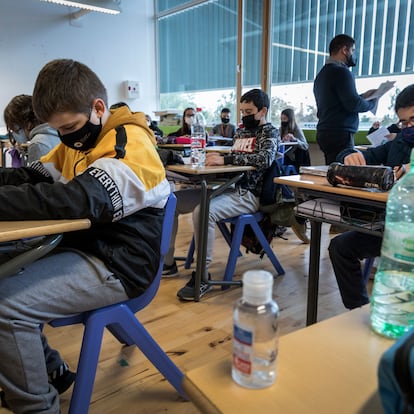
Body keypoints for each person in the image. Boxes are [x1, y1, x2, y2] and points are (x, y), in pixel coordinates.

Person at [0, 58, 170, 413]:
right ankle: (52, 371)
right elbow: (35, 177)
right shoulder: (77, 139)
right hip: (89, 248)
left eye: (69, 128)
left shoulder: (131, 143)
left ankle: (37, 407)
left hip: (122, 262)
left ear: (97, 108)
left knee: (5, 305)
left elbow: (78, 199)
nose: (64, 138)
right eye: (57, 130)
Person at [163, 89, 279, 300]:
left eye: (249, 111)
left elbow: (265, 159)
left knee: (203, 211)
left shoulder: (270, 132)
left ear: (263, 111)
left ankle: (202, 276)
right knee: (172, 201)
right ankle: (167, 262)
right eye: (242, 111)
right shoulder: (241, 132)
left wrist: (225, 161)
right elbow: (234, 162)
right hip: (227, 188)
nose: (244, 116)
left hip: (248, 194)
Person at [328, 84, 414, 310]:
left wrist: (409, 169)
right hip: (392, 226)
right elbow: (366, 153)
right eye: (404, 123)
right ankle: (358, 310)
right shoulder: (400, 142)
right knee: (340, 248)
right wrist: (351, 154)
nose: (408, 127)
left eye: (413, 120)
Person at [313, 34, 377, 164]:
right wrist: (372, 102)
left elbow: (338, 101)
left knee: (332, 171)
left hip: (325, 131)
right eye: (352, 50)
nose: (354, 54)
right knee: (343, 175)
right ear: (344, 50)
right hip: (340, 132)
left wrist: (363, 96)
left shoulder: (321, 74)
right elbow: (353, 104)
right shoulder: (342, 72)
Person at [3, 94, 60, 164]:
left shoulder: (37, 144)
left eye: (14, 128)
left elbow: (36, 175)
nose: (13, 133)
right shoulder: (57, 132)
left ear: (28, 123)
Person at [279, 108, 311, 172]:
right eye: (281, 119)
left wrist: (294, 139)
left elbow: (305, 146)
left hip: (295, 157)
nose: (283, 121)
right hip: (285, 154)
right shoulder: (281, 129)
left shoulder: (296, 130)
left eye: (285, 119)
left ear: (290, 119)